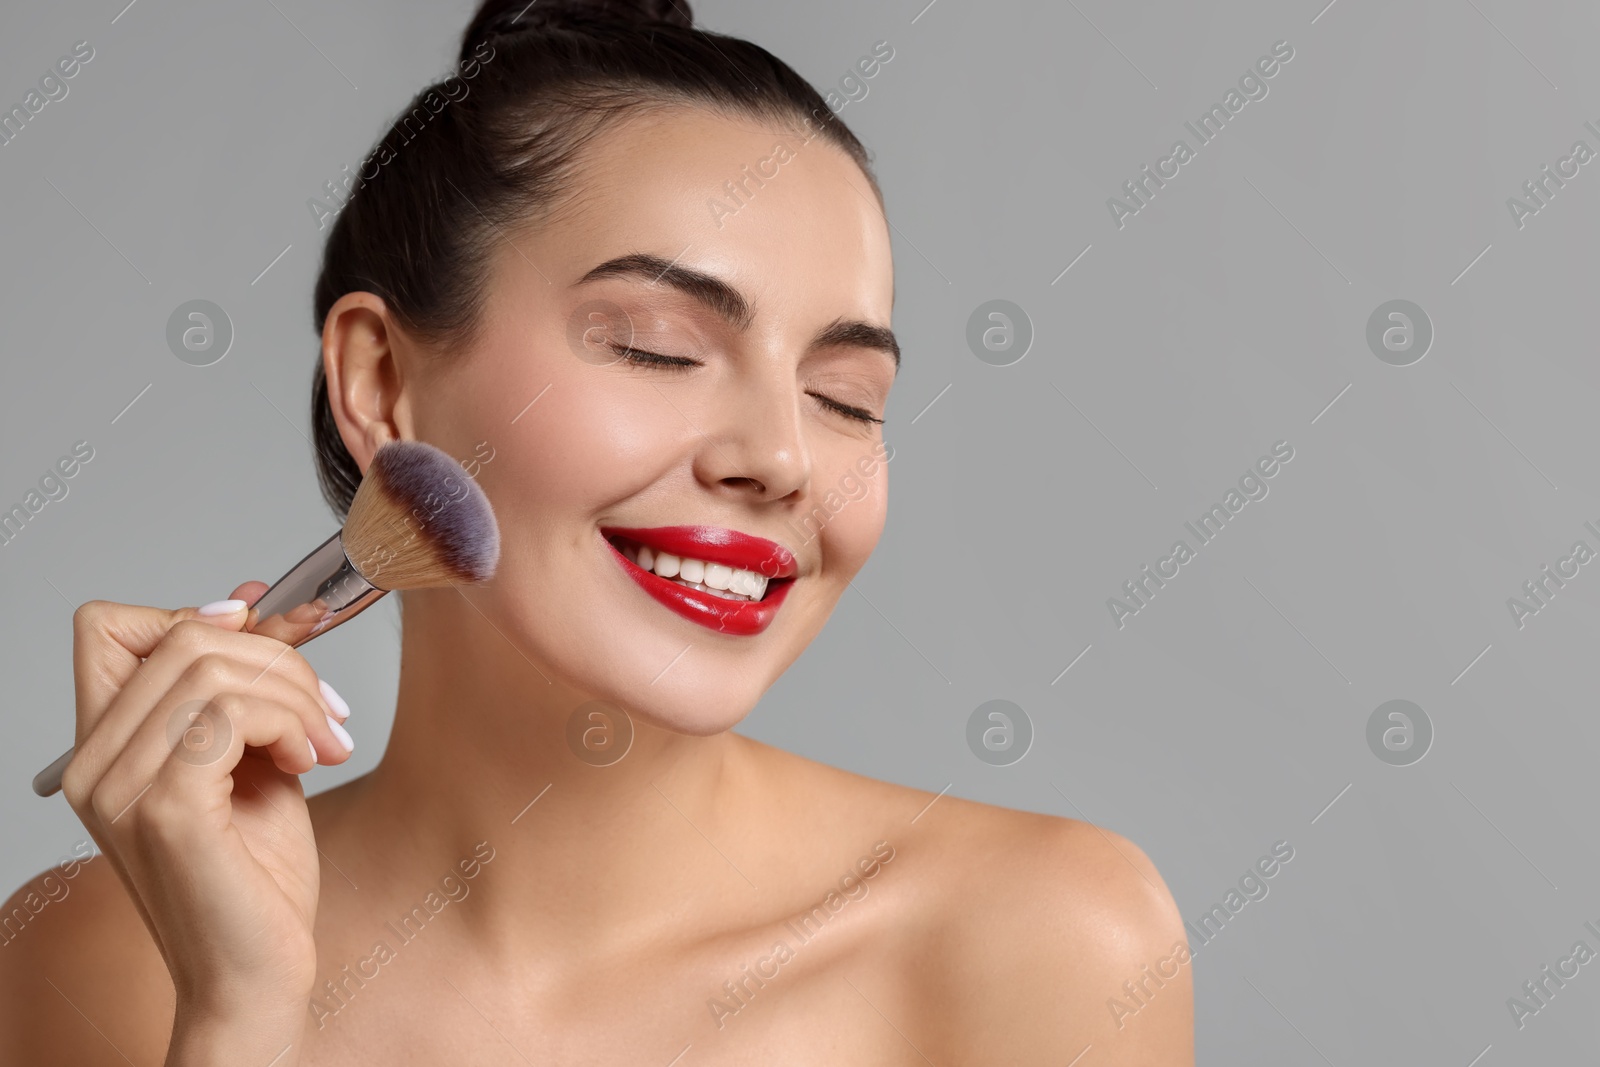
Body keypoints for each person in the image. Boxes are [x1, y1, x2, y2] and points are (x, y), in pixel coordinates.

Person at [1, 1, 1192, 1062]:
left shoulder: (1042, 939)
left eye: (846, 399)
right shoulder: (85, 957)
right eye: (655, 347)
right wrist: (241, 1010)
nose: (781, 459)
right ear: (379, 383)